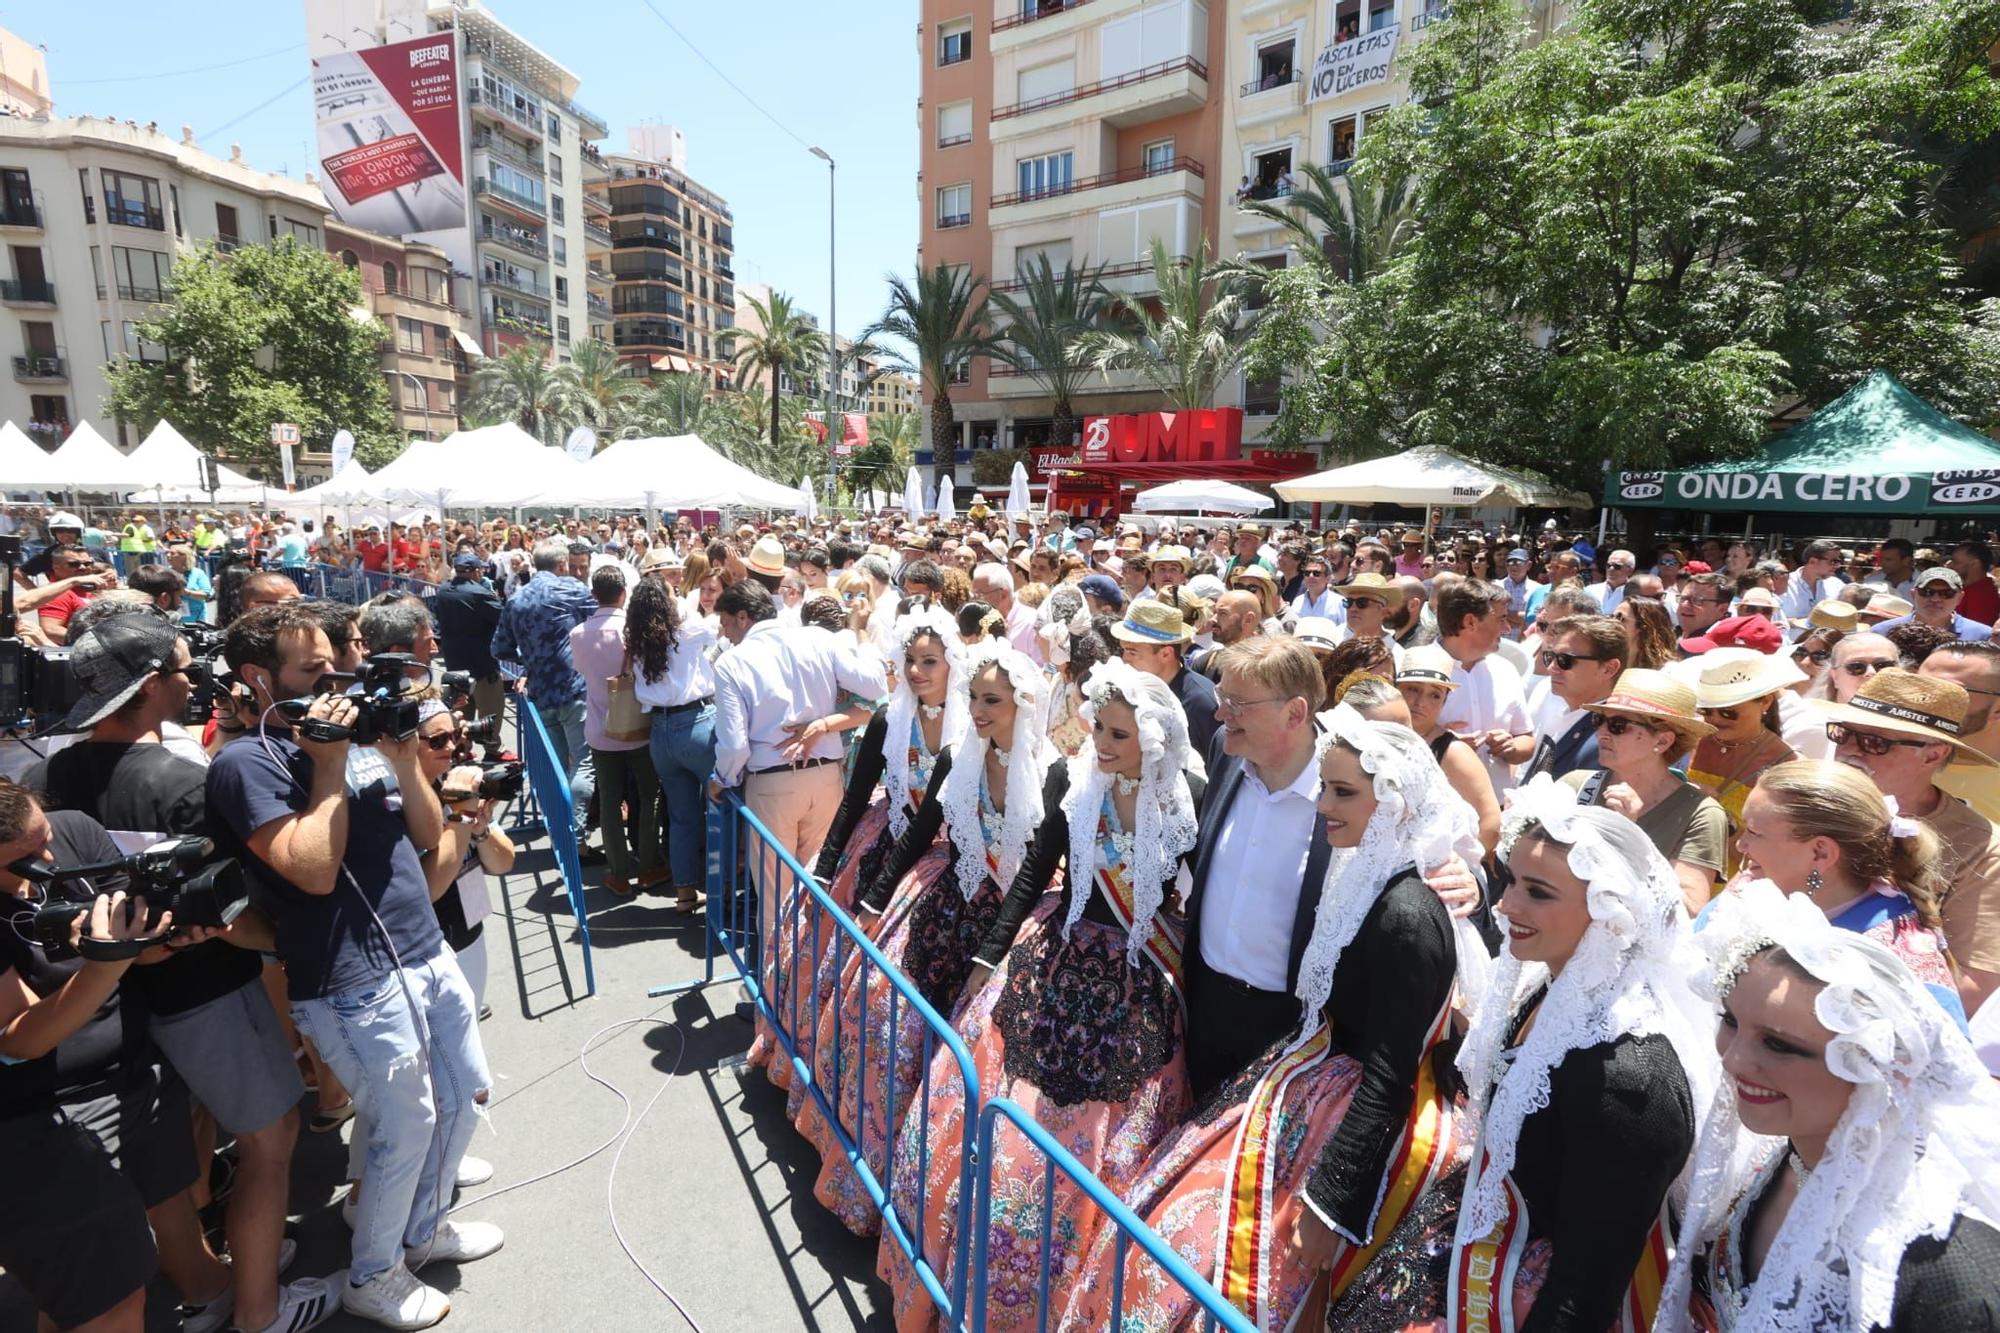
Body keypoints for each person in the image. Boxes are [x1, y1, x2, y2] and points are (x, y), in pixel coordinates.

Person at [1078, 707, 1472, 1329]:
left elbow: (1389, 1076)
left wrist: (1329, 1206)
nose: (1323, 807)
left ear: (1394, 805)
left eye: (1344, 793)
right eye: (1325, 789)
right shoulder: (1363, 876)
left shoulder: (1407, 915)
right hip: (1310, 1082)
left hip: (1351, 1116)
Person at [23, 613, 326, 1333]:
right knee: (270, 1135)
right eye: (184, 669)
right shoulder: (183, 779)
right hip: (205, 992)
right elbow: (239, 905)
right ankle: (259, 1308)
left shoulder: (44, 777)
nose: (194, 680)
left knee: (170, 1154)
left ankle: (213, 1274)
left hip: (105, 1003)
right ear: (151, 685)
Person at [878, 662, 1201, 1330]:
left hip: (1137, 992)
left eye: (1118, 733)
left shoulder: (1186, 801)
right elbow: (1032, 872)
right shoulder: (1078, 786)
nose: (1101, 744)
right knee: (1000, 1130)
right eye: (1097, 728)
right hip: (1053, 961)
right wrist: (987, 956)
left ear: (1155, 739)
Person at [1332, 777, 1715, 1331]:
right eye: (1511, 881)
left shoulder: (1632, 1079)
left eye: (1538, 892)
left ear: (1611, 914)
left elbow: (1587, 1289)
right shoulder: (1551, 985)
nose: (1507, 904)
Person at [207, 603, 497, 1328]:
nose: (335, 680)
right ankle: (374, 1273)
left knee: (465, 1095)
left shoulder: (364, 741)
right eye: (311, 670)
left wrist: (400, 759)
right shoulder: (246, 764)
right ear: (257, 678)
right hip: (350, 981)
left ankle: (422, 1228)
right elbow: (309, 869)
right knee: (407, 1122)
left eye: (337, 663)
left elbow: (429, 834)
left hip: (424, 948)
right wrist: (329, 764)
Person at [1660, 884, 2000, 1332]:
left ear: (1876, 1066)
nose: (1733, 1058)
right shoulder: (1797, 1155)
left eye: (1779, 1043)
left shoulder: (1942, 1268)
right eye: (1731, 1021)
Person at [797, 643, 1051, 1236]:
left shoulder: (1053, 771)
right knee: (885, 1023)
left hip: (1010, 926)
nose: (979, 709)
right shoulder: (959, 755)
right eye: (975, 698)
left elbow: (1041, 869)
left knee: (965, 1070)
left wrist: (998, 950)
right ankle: (867, 1175)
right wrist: (872, 901)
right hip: (946, 908)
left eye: (992, 700)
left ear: (1022, 702)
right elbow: (916, 836)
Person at [0, 788, 241, 1333]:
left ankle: (207, 1289)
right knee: (100, 1297)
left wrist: (170, 937)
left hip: (131, 1069)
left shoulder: (74, 831)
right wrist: (105, 962)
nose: (50, 858)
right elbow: (19, 1040)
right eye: (28, 856)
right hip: (43, 1118)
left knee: (163, 1203)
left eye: (48, 836)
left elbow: (137, 936)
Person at [1722, 758, 1965, 1028]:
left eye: (1754, 833)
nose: (1741, 845)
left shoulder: (1896, 960)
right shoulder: (1748, 891)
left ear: (1820, 852)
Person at [1818, 669, 2000, 1022]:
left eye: (1875, 742)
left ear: (1933, 755)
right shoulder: (1807, 803)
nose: (1849, 751)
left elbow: (1974, 983)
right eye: (1844, 734)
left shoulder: (1982, 848)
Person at [809, 606, 959, 909]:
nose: (915, 671)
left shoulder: (971, 730)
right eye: (910, 661)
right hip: (885, 841)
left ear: (952, 665)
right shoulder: (888, 720)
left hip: (947, 859)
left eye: (929, 662)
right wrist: (824, 870)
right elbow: (854, 798)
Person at [1560, 669, 1729, 912]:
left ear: (1662, 741)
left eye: (1617, 725)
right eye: (1599, 720)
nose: (1601, 732)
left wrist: (1626, 835)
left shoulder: (1701, 813)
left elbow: (1688, 910)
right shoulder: (1575, 785)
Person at [491, 538, 599, 848]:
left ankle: (562, 831)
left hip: (541, 691)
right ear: (563, 564)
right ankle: (573, 835)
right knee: (581, 762)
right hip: (574, 688)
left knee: (556, 766)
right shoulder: (573, 590)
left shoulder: (518, 600)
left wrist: (532, 661)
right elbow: (600, 624)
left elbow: (499, 648)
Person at [569, 564, 662, 896]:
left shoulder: (578, 633)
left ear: (594, 595)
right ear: (624, 593)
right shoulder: (632, 631)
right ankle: (648, 866)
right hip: (638, 726)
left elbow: (583, 672)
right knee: (648, 795)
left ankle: (619, 871)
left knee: (609, 800)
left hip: (599, 728)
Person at [1689, 648, 1804, 878]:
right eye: (1706, 710)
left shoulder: (1786, 767)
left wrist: (1722, 820)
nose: (1714, 720)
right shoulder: (1692, 739)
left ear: (1765, 703)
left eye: (1727, 712)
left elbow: (1777, 860)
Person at [1394, 643, 1502, 855]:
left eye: (1434, 695)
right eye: (1413, 689)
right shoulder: (1379, 736)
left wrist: (1459, 868)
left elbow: (1490, 822)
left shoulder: (1454, 753)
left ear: (1444, 701)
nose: (1420, 702)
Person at [1435, 578, 1535, 795]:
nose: (1507, 628)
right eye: (1501, 619)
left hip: (1495, 806)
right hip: (1434, 811)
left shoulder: (1506, 670)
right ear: (1471, 622)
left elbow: (1526, 739)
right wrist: (1442, 744)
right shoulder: (1416, 667)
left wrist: (1512, 748)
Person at [1108, 599, 1220, 758]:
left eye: (1132, 652)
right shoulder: (1130, 687)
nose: (1124, 659)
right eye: (1124, 650)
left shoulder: (1200, 703)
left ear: (1166, 654)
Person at [1520, 613, 1626, 783]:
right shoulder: (1561, 709)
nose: (1552, 668)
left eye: (1564, 660)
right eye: (1550, 657)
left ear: (1608, 668)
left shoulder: (1612, 737)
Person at [430, 554, 506, 721]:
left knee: (461, 716)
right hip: (482, 666)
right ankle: (491, 748)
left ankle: (463, 746)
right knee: (490, 719)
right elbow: (503, 618)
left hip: (455, 664)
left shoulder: (443, 591)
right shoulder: (479, 593)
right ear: (475, 572)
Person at [1875, 566, 1994, 642]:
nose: (1935, 599)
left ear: (1960, 598)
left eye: (1947, 593)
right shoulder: (1883, 633)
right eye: (1927, 592)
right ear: (1913, 594)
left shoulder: (1982, 636)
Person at [1618, 594, 1678, 670]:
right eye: (1611, 616)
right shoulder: (1610, 666)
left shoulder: (1669, 671)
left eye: (1620, 618)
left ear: (1643, 628)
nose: (1611, 622)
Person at [1953, 539, 2000, 626]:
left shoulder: (1982, 594)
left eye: (1956, 562)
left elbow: (1976, 633)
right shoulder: (1974, 589)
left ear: (1975, 564)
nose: (1951, 566)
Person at [1583, 548, 1636, 614]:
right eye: (1608, 565)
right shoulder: (1589, 591)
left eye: (1617, 566)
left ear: (1630, 571)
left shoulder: (1635, 594)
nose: (1611, 569)